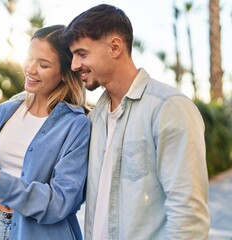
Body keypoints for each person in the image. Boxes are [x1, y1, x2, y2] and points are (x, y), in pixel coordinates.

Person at [61, 4, 210, 240]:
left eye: (82, 53)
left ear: (115, 47)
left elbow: (187, 212)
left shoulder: (168, 107)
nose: (74, 65)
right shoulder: (96, 116)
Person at [0, 25, 90, 240]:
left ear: (63, 73)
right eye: (30, 58)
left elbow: (60, 203)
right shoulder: (4, 112)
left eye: (43, 64)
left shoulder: (76, 125)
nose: (31, 69)